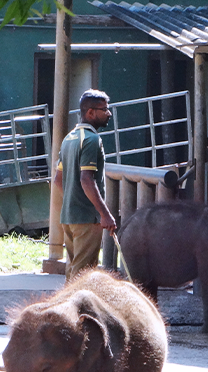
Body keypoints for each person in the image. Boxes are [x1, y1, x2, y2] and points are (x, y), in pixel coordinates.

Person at [54, 89, 118, 280]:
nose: (108, 113)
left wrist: (73, 201)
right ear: (90, 112)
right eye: (104, 109)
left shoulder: (69, 138)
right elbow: (86, 179)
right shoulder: (91, 140)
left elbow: (58, 180)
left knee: (73, 271)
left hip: (69, 216)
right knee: (83, 275)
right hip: (87, 219)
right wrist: (105, 214)